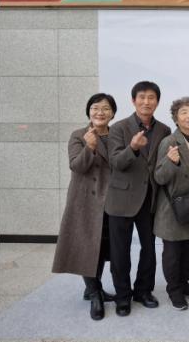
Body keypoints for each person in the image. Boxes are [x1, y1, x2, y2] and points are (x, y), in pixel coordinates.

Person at [105, 81, 171, 317]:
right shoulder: (118, 128)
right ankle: (123, 296)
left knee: (149, 249)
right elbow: (116, 162)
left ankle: (143, 291)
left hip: (151, 198)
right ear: (133, 101)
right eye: (142, 97)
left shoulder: (164, 130)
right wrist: (132, 148)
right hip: (121, 199)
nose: (146, 102)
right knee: (120, 252)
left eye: (151, 97)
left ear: (157, 102)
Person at [52, 93, 117, 320]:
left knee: (102, 247)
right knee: (87, 246)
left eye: (106, 108)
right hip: (85, 200)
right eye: (95, 108)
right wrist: (89, 147)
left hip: (111, 201)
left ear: (112, 113)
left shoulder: (117, 135)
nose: (100, 112)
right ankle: (95, 294)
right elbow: (76, 166)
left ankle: (93, 288)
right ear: (89, 111)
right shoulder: (79, 135)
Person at [153, 97, 189, 311]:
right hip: (173, 208)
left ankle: (184, 284)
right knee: (173, 253)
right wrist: (171, 162)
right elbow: (159, 177)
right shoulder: (169, 142)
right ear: (176, 118)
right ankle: (174, 290)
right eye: (184, 112)